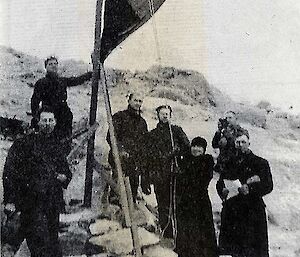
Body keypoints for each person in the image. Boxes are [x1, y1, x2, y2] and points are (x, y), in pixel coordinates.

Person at [3, 107, 72, 257]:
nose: (47, 124)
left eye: (50, 121)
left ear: (55, 123)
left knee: (52, 245)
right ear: (37, 122)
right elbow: (9, 172)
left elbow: (66, 171)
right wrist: (10, 200)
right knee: (41, 245)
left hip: (52, 204)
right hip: (31, 203)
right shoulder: (24, 144)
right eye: (44, 120)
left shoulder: (56, 146)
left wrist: (64, 177)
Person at [216, 130, 273, 257]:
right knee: (235, 250)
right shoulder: (229, 162)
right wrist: (223, 191)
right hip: (233, 210)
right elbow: (220, 183)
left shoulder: (260, 162)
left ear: (249, 143)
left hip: (252, 211)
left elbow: (268, 186)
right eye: (237, 142)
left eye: (243, 142)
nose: (240, 145)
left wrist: (250, 190)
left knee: (252, 249)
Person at [145, 105, 190, 241]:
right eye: (162, 113)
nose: (165, 116)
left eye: (167, 113)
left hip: (175, 174)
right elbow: (149, 157)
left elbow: (187, 148)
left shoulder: (176, 131)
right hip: (159, 174)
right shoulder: (152, 134)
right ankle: (166, 233)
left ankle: (179, 234)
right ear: (157, 115)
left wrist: (178, 153)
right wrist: (147, 178)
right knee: (163, 203)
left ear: (171, 115)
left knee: (176, 203)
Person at [31, 56, 92, 140]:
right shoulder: (41, 83)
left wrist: (90, 74)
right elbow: (34, 101)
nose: (53, 66)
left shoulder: (62, 81)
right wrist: (36, 117)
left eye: (55, 64)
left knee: (65, 137)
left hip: (63, 114)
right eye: (50, 64)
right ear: (46, 67)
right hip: (49, 113)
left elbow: (76, 80)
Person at [176, 137, 218, 257]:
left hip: (200, 202)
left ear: (204, 149)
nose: (196, 149)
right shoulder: (185, 160)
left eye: (199, 147)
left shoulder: (207, 161)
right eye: (194, 146)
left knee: (202, 232)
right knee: (187, 231)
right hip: (186, 202)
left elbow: (202, 180)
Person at [107, 93, 148, 204]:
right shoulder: (119, 117)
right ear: (129, 101)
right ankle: (115, 211)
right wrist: (121, 150)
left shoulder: (142, 122)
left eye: (140, 101)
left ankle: (131, 209)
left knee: (133, 189)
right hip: (120, 158)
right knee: (118, 188)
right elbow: (111, 136)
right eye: (135, 100)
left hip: (135, 161)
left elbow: (145, 143)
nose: (137, 103)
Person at [212, 110, 244, 175]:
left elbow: (235, 143)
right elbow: (214, 145)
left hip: (235, 166)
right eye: (226, 118)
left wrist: (224, 131)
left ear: (236, 119)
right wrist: (219, 131)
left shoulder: (242, 132)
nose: (228, 120)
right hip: (221, 166)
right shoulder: (224, 131)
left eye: (230, 118)